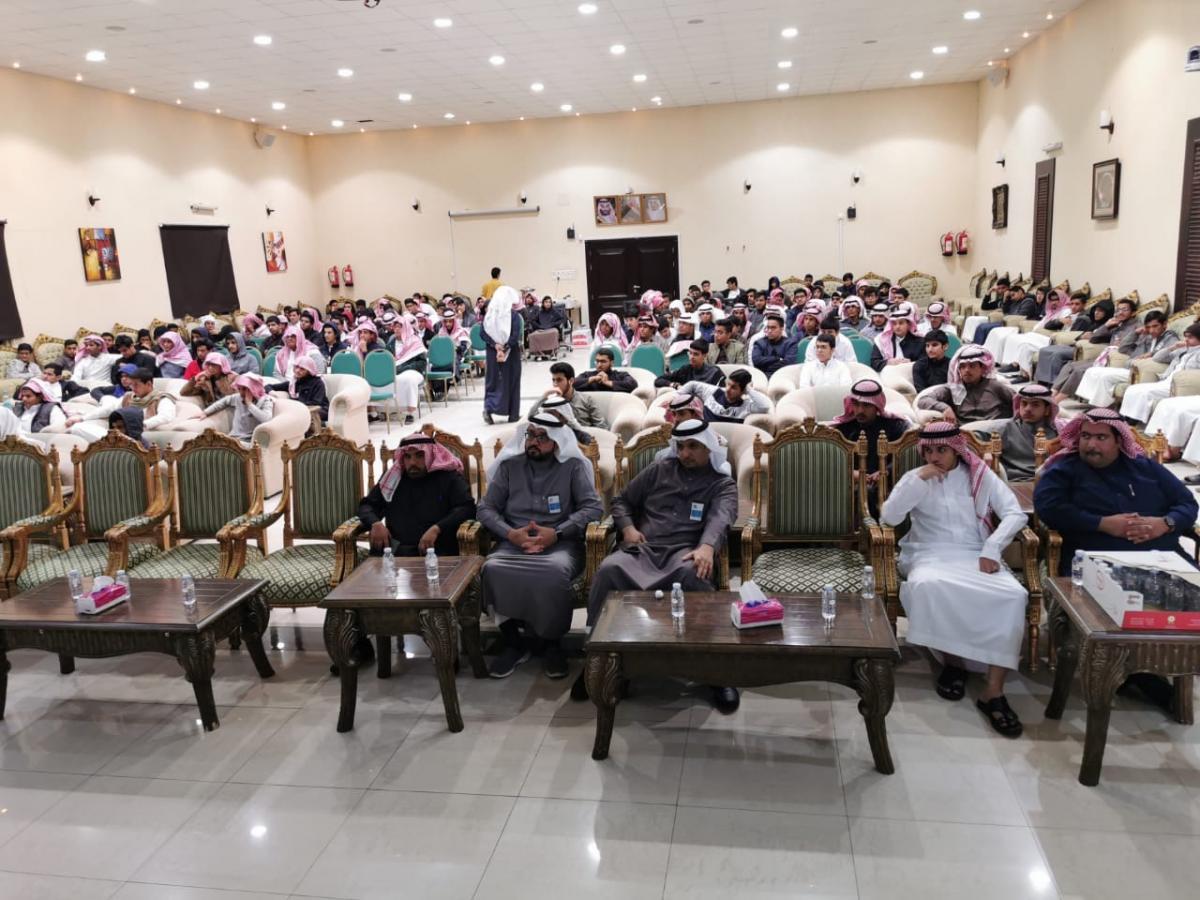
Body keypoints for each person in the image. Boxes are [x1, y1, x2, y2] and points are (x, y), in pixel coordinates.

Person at [577, 418, 741, 710]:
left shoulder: (721, 483)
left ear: (709, 448)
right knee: (609, 570)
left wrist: (706, 546)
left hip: (684, 554)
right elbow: (621, 501)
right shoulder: (659, 469)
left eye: (693, 446)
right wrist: (628, 528)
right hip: (644, 549)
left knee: (695, 575)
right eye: (681, 446)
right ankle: (596, 658)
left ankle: (715, 671)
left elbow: (722, 516)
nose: (685, 453)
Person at [881, 421, 1030, 738]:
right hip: (928, 554)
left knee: (1013, 595)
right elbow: (889, 517)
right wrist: (918, 479)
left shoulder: (980, 476)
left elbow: (1015, 514)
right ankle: (954, 663)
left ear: (956, 450)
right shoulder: (916, 478)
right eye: (928, 450)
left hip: (976, 553)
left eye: (942, 450)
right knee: (928, 586)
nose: (934, 457)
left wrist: (992, 548)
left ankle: (993, 691)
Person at [476, 414, 604, 679]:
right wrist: (510, 534)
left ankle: (552, 645)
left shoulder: (572, 467)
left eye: (542, 437)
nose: (534, 442)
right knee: (492, 569)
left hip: (560, 545)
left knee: (553, 572)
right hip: (513, 544)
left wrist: (557, 533)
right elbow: (485, 508)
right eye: (531, 435)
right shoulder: (509, 467)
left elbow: (593, 508)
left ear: (557, 441)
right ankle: (513, 643)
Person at [1034, 408, 1198, 571]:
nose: (1091, 444)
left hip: (1163, 557)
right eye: (1085, 436)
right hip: (1097, 561)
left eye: (1101, 437)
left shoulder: (1145, 467)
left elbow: (1187, 503)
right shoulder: (1064, 470)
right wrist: (1101, 524)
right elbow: (1049, 508)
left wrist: (1165, 523)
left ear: (1119, 441)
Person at [359, 433, 476, 557]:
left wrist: (437, 528)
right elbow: (367, 505)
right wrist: (375, 523)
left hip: (437, 550)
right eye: (407, 457)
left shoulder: (448, 477)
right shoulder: (393, 478)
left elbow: (466, 508)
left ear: (430, 455)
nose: (412, 462)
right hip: (397, 552)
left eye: (419, 456)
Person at [1073, 310, 1177, 408]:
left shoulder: (1170, 338)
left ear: (1164, 324)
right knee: (1092, 371)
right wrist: (1135, 333)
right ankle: (1094, 405)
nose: (1152, 330)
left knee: (1105, 377)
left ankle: (1101, 409)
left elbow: (1171, 354)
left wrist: (1152, 354)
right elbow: (1123, 348)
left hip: (1144, 372)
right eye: (1148, 327)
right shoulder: (1147, 337)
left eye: (1155, 326)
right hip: (1131, 368)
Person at [1050, 297, 1140, 401]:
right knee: (1070, 365)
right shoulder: (1117, 324)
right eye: (1118, 310)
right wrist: (1106, 326)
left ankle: (1058, 400)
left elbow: (1130, 348)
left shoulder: (1137, 327)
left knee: (1079, 370)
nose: (1120, 313)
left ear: (1133, 312)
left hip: (1116, 360)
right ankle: (1052, 393)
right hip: (1104, 357)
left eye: (1124, 310)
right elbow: (1094, 339)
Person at [832, 379, 911, 490]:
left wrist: (886, 471)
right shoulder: (843, 428)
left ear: (877, 406)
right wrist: (850, 472)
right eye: (856, 404)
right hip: (850, 487)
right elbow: (831, 460)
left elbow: (907, 455)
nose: (860, 410)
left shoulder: (896, 426)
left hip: (888, 486)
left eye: (866, 405)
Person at [1122, 325, 1200, 430]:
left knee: (1143, 392)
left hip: (1181, 386)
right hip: (1166, 381)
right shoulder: (1183, 350)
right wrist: (1173, 347)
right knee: (1133, 388)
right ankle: (1126, 421)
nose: (1186, 340)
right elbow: (1157, 358)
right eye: (1185, 336)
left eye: (1190, 337)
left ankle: (1133, 424)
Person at [66, 368, 176, 441]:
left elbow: (165, 416)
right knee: (77, 428)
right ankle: (113, 445)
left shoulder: (161, 398)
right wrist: (82, 418)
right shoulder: (129, 396)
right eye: (131, 385)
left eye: (136, 385)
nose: (132, 388)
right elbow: (109, 409)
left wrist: (140, 425)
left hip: (137, 437)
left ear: (148, 384)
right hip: (119, 435)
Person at [917, 346, 1014, 425]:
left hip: (994, 432)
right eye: (962, 366)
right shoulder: (953, 388)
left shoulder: (994, 386)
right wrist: (945, 408)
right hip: (965, 434)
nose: (967, 370)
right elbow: (923, 400)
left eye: (972, 366)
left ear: (982, 368)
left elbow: (1018, 399)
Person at [1032, 296, 1112, 385]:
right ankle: (1042, 381)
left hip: (1082, 349)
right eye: (1096, 310)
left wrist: (1091, 336)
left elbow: (1101, 339)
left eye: (1100, 311)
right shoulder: (1094, 323)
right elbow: (1080, 336)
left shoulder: (1108, 325)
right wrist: (1082, 336)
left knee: (1056, 354)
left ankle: (1052, 383)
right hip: (1075, 344)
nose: (1096, 313)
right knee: (1045, 350)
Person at [997, 384, 1059, 482]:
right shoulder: (1006, 428)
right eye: (1024, 403)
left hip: (1048, 481)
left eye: (1035, 405)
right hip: (1015, 481)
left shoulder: (1057, 432)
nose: (1027, 409)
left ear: (1047, 410)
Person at [482, 285, 523, 424]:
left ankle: (488, 408)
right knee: (512, 380)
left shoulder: (489, 316)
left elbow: (483, 333)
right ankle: (513, 414)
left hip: (492, 352)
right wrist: (505, 347)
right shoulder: (513, 316)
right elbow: (515, 334)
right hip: (511, 353)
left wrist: (495, 345)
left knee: (493, 380)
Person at [530, 361, 609, 427]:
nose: (555, 384)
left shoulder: (587, 400)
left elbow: (602, 426)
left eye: (559, 380)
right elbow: (531, 417)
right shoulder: (552, 403)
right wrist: (545, 395)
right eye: (553, 380)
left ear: (571, 381)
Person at [676, 368, 770, 422]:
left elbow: (765, 406)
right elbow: (692, 384)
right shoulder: (714, 392)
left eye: (733, 387)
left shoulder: (746, 406)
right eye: (728, 384)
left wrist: (748, 389)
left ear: (743, 391)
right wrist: (676, 397)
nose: (728, 389)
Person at [203, 373, 275, 443]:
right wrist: (205, 412)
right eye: (239, 389)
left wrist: (249, 404)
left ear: (253, 388)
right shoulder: (238, 397)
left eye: (245, 389)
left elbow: (266, 419)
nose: (241, 393)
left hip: (249, 442)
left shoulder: (266, 400)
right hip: (233, 438)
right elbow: (224, 401)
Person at [268, 355, 328, 434]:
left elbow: (316, 402)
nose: (297, 370)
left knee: (295, 417)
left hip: (318, 410)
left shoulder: (318, 383)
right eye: (296, 367)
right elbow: (268, 386)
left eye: (302, 369)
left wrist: (295, 405)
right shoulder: (293, 383)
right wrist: (272, 392)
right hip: (298, 410)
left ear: (309, 370)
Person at [388, 315, 428, 426]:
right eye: (395, 327)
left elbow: (422, 363)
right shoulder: (391, 343)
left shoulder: (415, 342)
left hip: (414, 371)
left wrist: (405, 368)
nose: (396, 329)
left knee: (408, 379)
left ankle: (409, 412)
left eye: (399, 327)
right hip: (396, 371)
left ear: (405, 328)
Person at [870, 304, 924, 371]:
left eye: (901, 323)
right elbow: (874, 363)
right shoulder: (880, 340)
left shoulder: (920, 341)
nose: (897, 327)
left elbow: (925, 363)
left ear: (908, 325)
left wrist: (910, 363)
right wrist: (888, 362)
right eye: (894, 324)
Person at [656, 340, 724, 388]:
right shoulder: (685, 370)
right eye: (690, 353)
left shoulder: (714, 372)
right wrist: (674, 385)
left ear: (705, 355)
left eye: (696, 354)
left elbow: (721, 394)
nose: (691, 357)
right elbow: (658, 380)